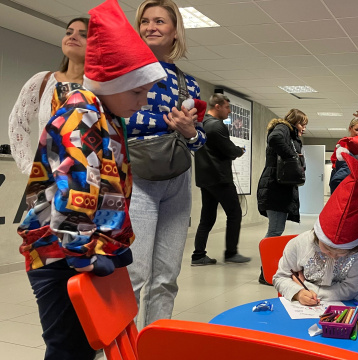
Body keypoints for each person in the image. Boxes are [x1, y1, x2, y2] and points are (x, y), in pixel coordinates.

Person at [17, 0, 166, 358]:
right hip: (59, 256)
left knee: (85, 344)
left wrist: (113, 242)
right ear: (110, 82)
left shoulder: (108, 116)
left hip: (82, 250)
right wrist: (82, 255)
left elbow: (110, 186)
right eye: (136, 91)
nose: (142, 102)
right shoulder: (81, 116)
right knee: (67, 348)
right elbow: (77, 190)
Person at [126, 0, 206, 328]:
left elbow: (199, 143)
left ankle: (152, 344)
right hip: (138, 177)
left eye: (160, 21)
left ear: (175, 32)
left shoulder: (189, 84)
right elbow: (111, 122)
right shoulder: (124, 73)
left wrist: (189, 131)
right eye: (145, 21)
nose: (151, 26)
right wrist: (161, 120)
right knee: (134, 273)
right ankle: (121, 347)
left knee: (167, 276)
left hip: (177, 181)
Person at [274, 154, 358, 304]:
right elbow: (280, 277)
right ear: (318, 237)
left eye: (342, 253)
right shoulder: (299, 244)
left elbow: (351, 289)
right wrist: (298, 293)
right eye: (327, 248)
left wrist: (306, 288)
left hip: (342, 307)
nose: (333, 256)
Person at [8, 17, 89, 175]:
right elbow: (17, 123)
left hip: (87, 188)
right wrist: (29, 166)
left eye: (83, 34)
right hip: (46, 186)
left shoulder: (101, 88)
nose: (73, 36)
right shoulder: (43, 81)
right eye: (69, 32)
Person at [192, 94, 251, 265]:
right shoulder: (217, 126)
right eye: (227, 107)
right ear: (217, 106)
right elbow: (229, 150)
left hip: (205, 178)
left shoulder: (202, 124)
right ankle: (231, 253)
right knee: (235, 213)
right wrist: (239, 151)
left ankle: (198, 255)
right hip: (220, 178)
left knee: (207, 218)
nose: (229, 111)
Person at [256, 109, 308, 285]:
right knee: (275, 231)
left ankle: (267, 270)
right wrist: (293, 157)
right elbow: (275, 139)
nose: (304, 129)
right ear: (294, 121)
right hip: (274, 189)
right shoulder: (283, 128)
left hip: (278, 189)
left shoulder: (290, 134)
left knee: (275, 230)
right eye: (302, 124)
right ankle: (265, 272)